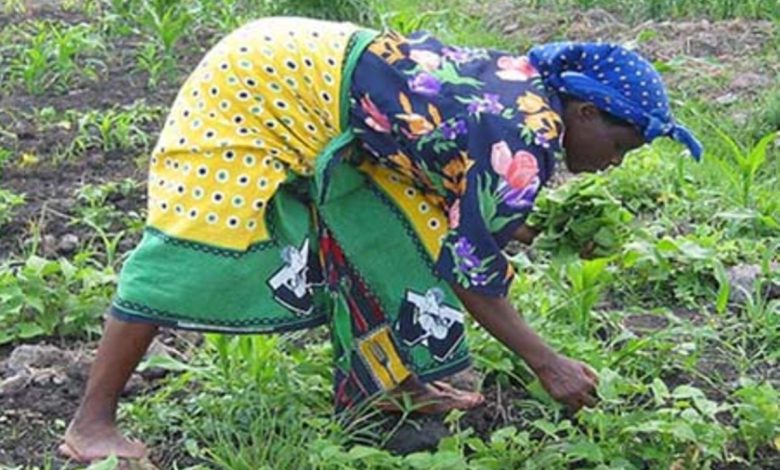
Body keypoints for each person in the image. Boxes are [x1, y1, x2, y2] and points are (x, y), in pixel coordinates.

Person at [58, 16, 702, 463]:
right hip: (257, 87)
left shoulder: (529, 101)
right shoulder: (524, 137)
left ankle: (385, 385)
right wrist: (548, 363)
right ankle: (91, 425)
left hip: (315, 81)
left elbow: (456, 185)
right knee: (194, 241)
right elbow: (473, 275)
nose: (614, 163)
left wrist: (504, 226)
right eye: (620, 145)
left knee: (399, 231)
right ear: (584, 112)